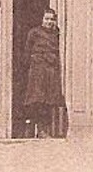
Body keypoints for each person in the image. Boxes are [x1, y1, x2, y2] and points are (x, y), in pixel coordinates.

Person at [22, 7, 66, 138]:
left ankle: (43, 130)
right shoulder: (34, 33)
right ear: (42, 19)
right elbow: (27, 51)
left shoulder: (56, 33)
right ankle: (29, 128)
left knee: (48, 100)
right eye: (47, 19)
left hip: (50, 70)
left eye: (52, 19)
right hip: (37, 69)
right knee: (35, 99)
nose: (49, 22)